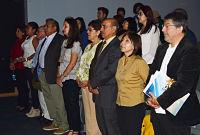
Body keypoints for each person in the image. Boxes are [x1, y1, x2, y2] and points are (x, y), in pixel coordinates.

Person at [146, 12, 200, 135]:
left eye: (167, 26)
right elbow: (152, 74)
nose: (163, 29)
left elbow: (184, 84)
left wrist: (160, 100)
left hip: (177, 113)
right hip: (157, 110)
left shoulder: (190, 50)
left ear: (179, 28)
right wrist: (149, 96)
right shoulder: (162, 49)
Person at [88, 18, 121, 135]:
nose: (101, 29)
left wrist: (94, 83)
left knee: (110, 126)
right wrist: (91, 82)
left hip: (108, 92)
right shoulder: (102, 44)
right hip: (98, 91)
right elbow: (93, 65)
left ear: (114, 29)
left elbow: (111, 70)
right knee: (102, 124)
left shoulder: (117, 45)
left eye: (104, 26)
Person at [38, 18, 69, 135]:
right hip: (43, 73)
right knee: (49, 100)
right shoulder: (45, 39)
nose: (45, 28)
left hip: (53, 74)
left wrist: (58, 73)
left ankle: (64, 125)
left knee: (58, 100)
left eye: (47, 26)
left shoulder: (60, 40)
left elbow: (61, 58)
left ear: (54, 28)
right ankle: (55, 121)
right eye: (45, 26)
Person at [116, 31, 149, 135]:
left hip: (134, 106)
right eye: (122, 40)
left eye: (127, 41)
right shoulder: (120, 61)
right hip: (120, 103)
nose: (122, 43)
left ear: (134, 45)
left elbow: (148, 83)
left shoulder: (139, 62)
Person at [56, 17, 82, 135]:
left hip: (71, 78)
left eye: (65, 26)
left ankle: (76, 129)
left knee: (73, 105)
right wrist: (58, 75)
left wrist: (62, 76)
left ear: (72, 28)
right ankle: (71, 128)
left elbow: (72, 63)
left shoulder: (76, 44)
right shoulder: (65, 42)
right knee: (67, 105)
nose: (63, 29)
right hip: (63, 77)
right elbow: (60, 61)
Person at [76, 20, 102, 135]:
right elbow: (82, 63)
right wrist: (78, 77)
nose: (87, 32)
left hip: (92, 84)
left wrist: (89, 81)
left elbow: (98, 68)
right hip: (83, 83)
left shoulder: (101, 46)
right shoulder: (88, 46)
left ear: (97, 32)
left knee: (94, 112)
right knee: (87, 112)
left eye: (90, 30)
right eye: (88, 29)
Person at [30, 25, 51, 120]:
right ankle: (44, 113)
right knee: (40, 94)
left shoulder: (46, 42)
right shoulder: (41, 42)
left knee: (45, 95)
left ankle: (48, 116)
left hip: (44, 71)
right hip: (38, 71)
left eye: (39, 31)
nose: (37, 33)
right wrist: (33, 66)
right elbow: (37, 57)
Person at [20, 22, 40, 115]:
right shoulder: (27, 38)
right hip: (26, 65)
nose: (26, 30)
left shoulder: (34, 38)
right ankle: (34, 107)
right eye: (26, 28)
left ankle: (36, 108)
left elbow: (37, 52)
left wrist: (27, 58)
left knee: (34, 88)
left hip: (31, 66)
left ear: (34, 30)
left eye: (28, 28)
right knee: (31, 88)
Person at [9, 25, 27, 111]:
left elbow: (23, 55)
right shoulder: (16, 42)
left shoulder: (24, 42)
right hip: (16, 67)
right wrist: (11, 63)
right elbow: (12, 54)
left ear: (23, 32)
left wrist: (15, 61)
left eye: (18, 31)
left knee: (23, 86)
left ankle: (24, 104)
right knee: (19, 86)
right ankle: (20, 102)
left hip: (22, 67)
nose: (16, 33)